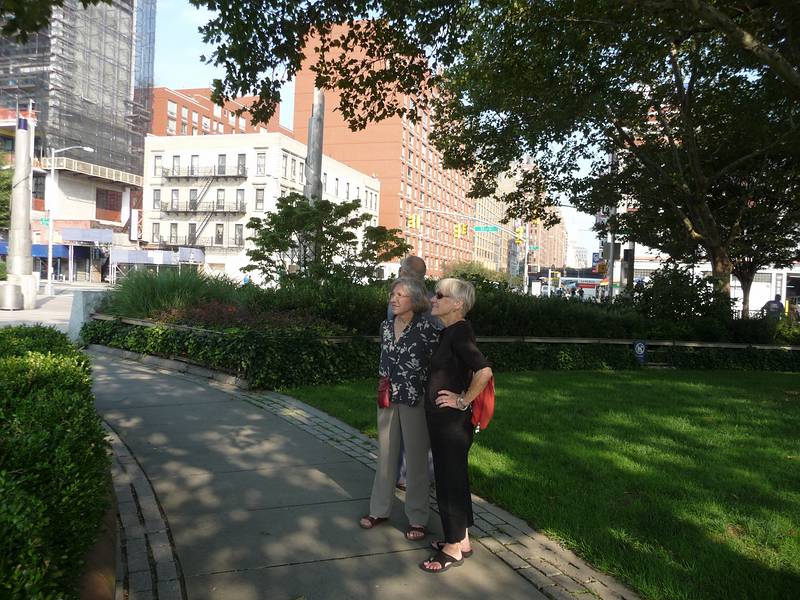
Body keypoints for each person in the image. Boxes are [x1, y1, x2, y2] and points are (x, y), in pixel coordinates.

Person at [420, 278, 492, 573]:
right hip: (445, 423)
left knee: (449, 482)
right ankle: (461, 539)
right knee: (455, 478)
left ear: (458, 304)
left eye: (440, 295)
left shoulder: (459, 333)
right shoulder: (451, 331)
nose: (432, 299)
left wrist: (463, 400)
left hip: (451, 423)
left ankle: (452, 548)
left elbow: (484, 370)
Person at [360, 277, 440, 541]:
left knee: (417, 460)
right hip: (387, 398)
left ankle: (417, 517)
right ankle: (379, 509)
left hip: (414, 399)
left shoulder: (428, 328)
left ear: (415, 301)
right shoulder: (385, 326)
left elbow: (438, 364)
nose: (393, 299)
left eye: (400, 295)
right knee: (385, 454)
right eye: (392, 294)